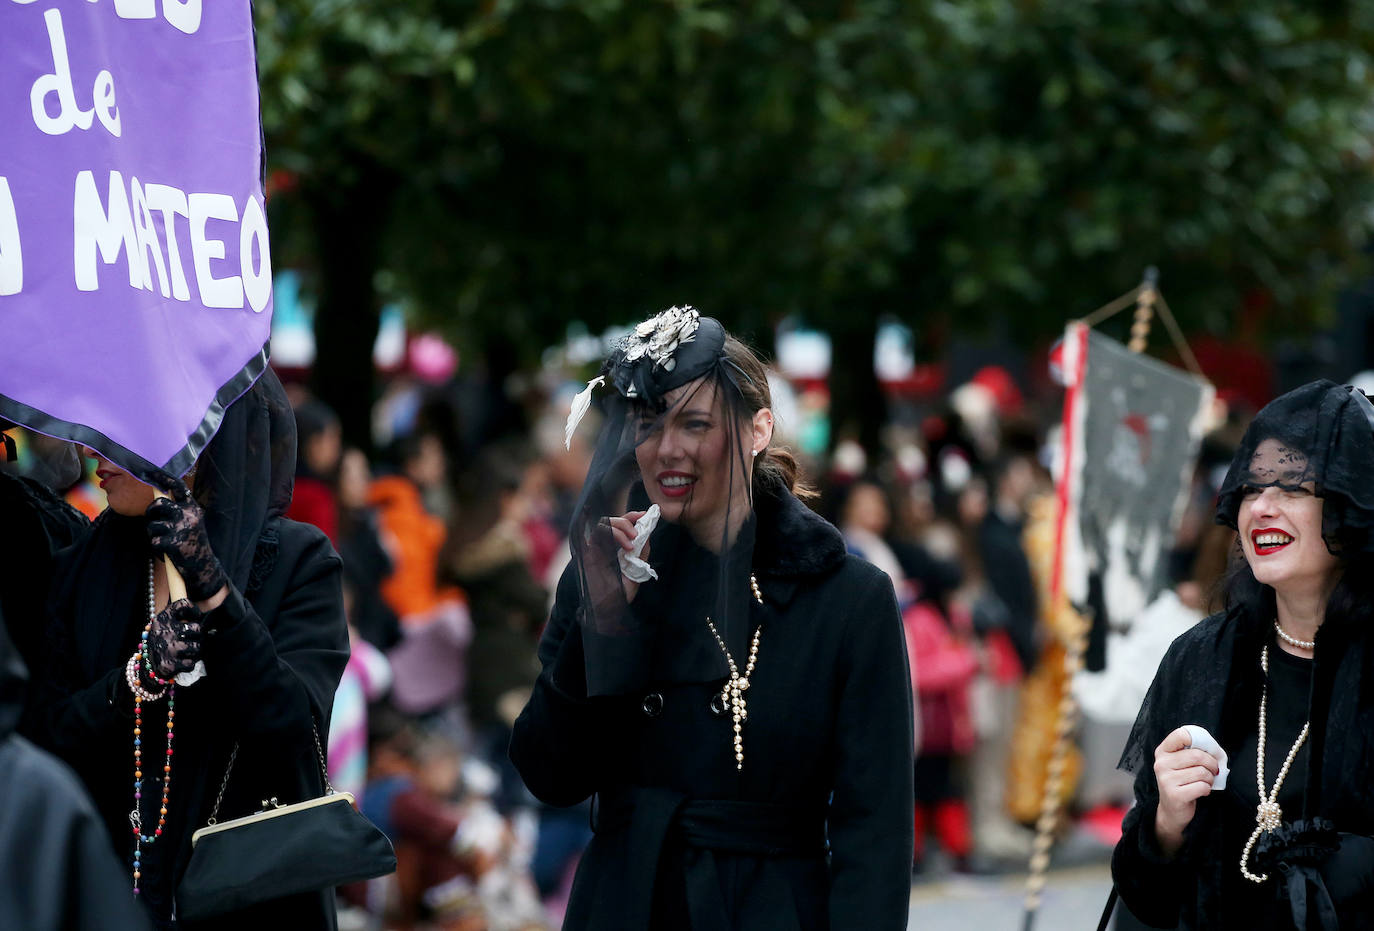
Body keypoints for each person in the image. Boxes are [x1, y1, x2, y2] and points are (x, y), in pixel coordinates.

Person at [509, 307, 914, 930]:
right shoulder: (606, 571)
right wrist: (606, 624)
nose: (668, 450)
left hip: (769, 907)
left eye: (695, 424)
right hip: (627, 903)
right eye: (649, 423)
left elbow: (875, 827)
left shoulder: (847, 596)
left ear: (758, 430)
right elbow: (549, 775)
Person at [22, 370, 350, 930]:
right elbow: (50, 740)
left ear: (197, 437)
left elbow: (292, 729)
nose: (90, 447)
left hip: (253, 900)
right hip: (113, 896)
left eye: (119, 427)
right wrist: (138, 677)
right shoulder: (83, 567)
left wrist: (215, 592)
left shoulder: (299, 561)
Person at [1113, 380, 1374, 930]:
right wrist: (1165, 821)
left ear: (1353, 503)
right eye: (1252, 488)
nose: (1263, 508)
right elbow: (1146, 899)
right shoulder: (1202, 657)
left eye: (1294, 487)